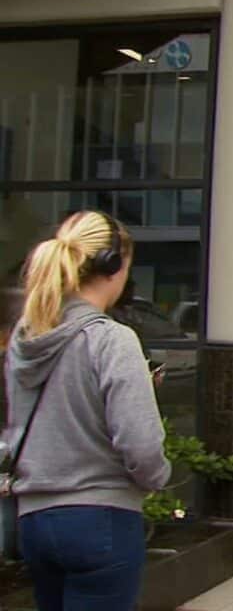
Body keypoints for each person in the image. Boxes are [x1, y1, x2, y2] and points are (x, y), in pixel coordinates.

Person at [3, 211, 171, 610]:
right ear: (115, 266)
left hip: (33, 521)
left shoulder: (26, 337)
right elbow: (141, 445)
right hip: (102, 520)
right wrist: (155, 479)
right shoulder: (112, 339)